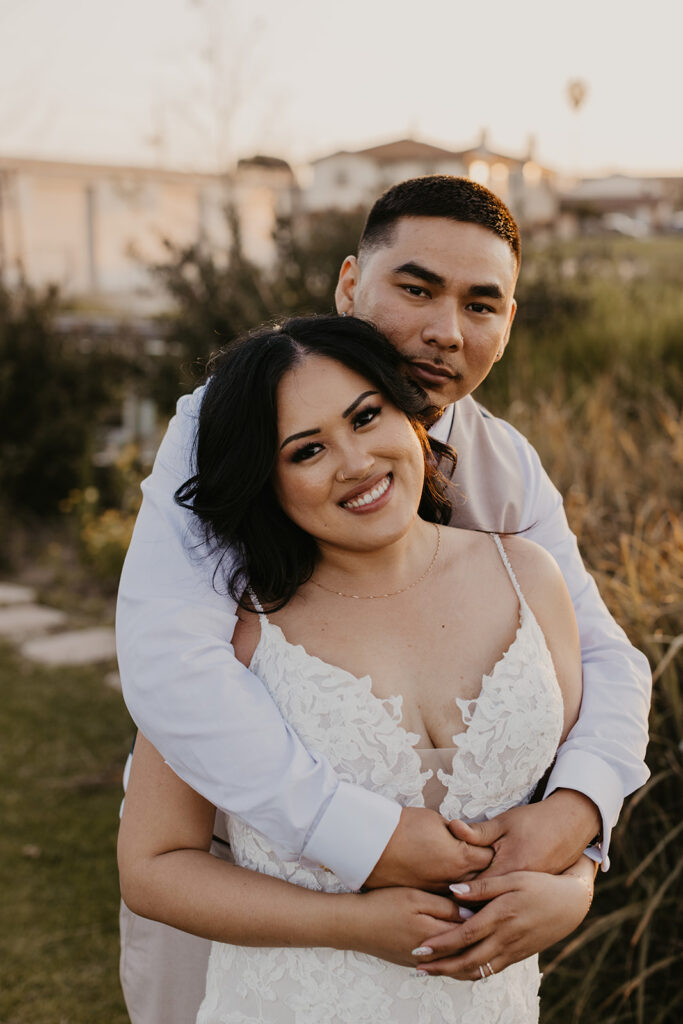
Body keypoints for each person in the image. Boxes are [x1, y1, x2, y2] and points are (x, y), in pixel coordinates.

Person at [116, 176, 651, 1021]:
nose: (444, 331)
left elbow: (605, 658)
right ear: (347, 286)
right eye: (415, 288)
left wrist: (579, 833)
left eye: (482, 303)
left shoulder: (505, 469)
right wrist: (361, 849)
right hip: (247, 888)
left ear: (509, 322)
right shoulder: (221, 429)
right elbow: (169, 666)